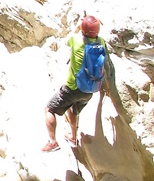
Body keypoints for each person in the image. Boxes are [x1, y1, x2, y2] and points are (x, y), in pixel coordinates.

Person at [42, 15, 110, 152]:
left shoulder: (77, 40)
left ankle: (52, 142)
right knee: (73, 110)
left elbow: (67, 40)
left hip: (72, 87)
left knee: (49, 109)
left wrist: (78, 27)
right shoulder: (101, 42)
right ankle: (73, 137)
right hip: (89, 90)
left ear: (83, 30)